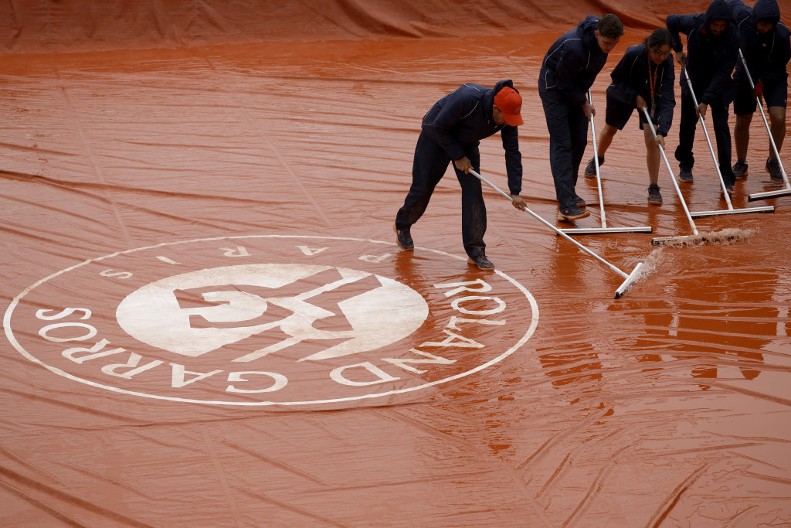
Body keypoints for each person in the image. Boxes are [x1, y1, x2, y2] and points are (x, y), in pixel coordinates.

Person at [393, 80, 527, 271]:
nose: (508, 122)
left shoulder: (508, 116)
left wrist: (515, 190)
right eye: (505, 117)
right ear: (495, 108)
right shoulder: (468, 99)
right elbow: (440, 127)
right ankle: (402, 225)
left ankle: (476, 251)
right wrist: (458, 156)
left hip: (467, 142)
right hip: (435, 137)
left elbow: (512, 151)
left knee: (474, 194)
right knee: (423, 188)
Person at [538, 14, 624, 222]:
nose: (610, 48)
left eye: (614, 44)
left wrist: (581, 95)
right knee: (562, 144)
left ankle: (569, 192)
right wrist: (583, 103)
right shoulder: (575, 48)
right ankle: (565, 205)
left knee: (578, 141)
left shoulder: (601, 44)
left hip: (574, 89)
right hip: (554, 89)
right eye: (606, 43)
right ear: (596, 34)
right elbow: (562, 81)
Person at [584, 28, 676, 205]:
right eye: (658, 52)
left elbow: (668, 97)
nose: (661, 57)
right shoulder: (634, 53)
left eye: (666, 53)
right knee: (610, 129)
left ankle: (654, 186)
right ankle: (598, 157)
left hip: (650, 98)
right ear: (649, 46)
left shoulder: (668, 62)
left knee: (652, 138)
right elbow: (616, 78)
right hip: (623, 93)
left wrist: (663, 131)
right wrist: (634, 96)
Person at [667, 0, 739, 193]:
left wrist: (706, 100)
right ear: (708, 22)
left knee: (721, 126)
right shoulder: (694, 23)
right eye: (715, 25)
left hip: (719, 82)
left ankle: (726, 176)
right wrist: (678, 49)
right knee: (688, 123)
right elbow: (670, 21)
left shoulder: (733, 36)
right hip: (694, 77)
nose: (718, 29)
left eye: (722, 26)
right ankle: (685, 163)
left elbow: (724, 71)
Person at [728, 0, 790, 182]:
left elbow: (781, 63)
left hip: (773, 76)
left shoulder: (782, 35)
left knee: (778, 117)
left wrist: (762, 83)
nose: (765, 28)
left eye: (770, 25)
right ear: (755, 18)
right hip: (745, 72)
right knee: (743, 119)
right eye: (763, 24)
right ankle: (741, 162)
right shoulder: (741, 16)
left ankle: (773, 161)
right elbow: (727, 4)